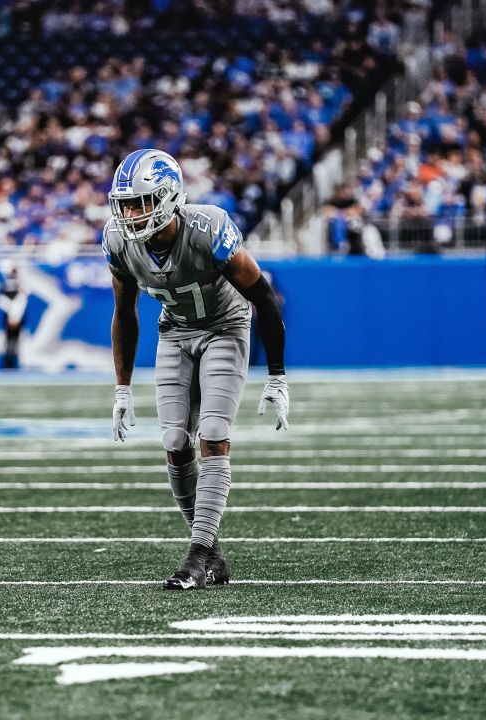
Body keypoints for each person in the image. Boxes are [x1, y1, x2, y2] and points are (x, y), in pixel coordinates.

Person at [104, 149, 289, 591]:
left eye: (142, 202)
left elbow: (263, 296)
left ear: (170, 198)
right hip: (174, 333)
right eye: (125, 204)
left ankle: (196, 554)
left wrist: (277, 375)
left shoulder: (208, 229)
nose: (131, 214)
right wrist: (122, 388)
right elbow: (124, 314)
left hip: (225, 328)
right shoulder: (117, 241)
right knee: (173, 442)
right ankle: (211, 553)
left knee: (212, 434)